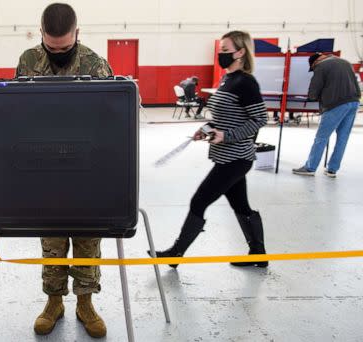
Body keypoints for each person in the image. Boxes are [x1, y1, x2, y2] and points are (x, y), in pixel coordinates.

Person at [15, 3, 112, 338]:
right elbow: (18, 115)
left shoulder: (96, 64)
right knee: (52, 240)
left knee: (87, 240)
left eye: (65, 47)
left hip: (87, 168)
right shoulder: (28, 61)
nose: (57, 52)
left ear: (77, 35)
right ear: (41, 35)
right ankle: (53, 302)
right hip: (45, 169)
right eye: (51, 47)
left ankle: (85, 304)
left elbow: (112, 119)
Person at [148, 31, 268, 268]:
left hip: (236, 158)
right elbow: (225, 116)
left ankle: (176, 254)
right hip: (225, 156)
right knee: (241, 206)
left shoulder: (246, 82)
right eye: (220, 50)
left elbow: (260, 119)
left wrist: (227, 135)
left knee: (199, 202)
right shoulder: (227, 79)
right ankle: (258, 254)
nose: (221, 54)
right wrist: (207, 127)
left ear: (241, 52)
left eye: (226, 50)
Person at [292, 53, 361, 178]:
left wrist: (312, 97)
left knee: (321, 138)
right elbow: (356, 86)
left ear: (314, 63)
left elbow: (313, 91)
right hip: (354, 103)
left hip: (335, 105)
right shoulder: (346, 62)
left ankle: (310, 167)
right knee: (343, 138)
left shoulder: (321, 66)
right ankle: (332, 170)